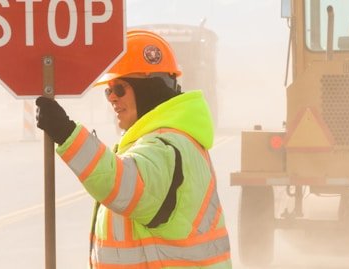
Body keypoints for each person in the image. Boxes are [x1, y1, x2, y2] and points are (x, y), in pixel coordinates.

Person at [34, 30, 231, 269]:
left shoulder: (166, 145)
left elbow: (125, 184)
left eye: (120, 88)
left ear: (149, 89)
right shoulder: (170, 139)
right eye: (109, 91)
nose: (112, 99)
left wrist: (66, 133)